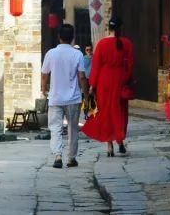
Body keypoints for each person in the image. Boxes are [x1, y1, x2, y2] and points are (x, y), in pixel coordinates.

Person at [81, 16, 134, 157]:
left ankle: (109, 145)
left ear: (108, 28)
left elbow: (96, 67)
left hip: (104, 83)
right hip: (120, 81)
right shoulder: (127, 43)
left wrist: (92, 85)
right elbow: (130, 66)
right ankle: (120, 140)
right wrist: (126, 80)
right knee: (120, 112)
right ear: (121, 28)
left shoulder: (102, 44)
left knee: (106, 113)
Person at [41, 22, 88, 169]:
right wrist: (86, 96)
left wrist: (44, 89)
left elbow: (44, 74)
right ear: (72, 37)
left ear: (59, 37)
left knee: (55, 127)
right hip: (73, 98)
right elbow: (82, 77)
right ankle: (71, 158)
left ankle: (58, 155)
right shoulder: (77, 54)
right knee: (73, 128)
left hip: (55, 97)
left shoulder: (51, 53)